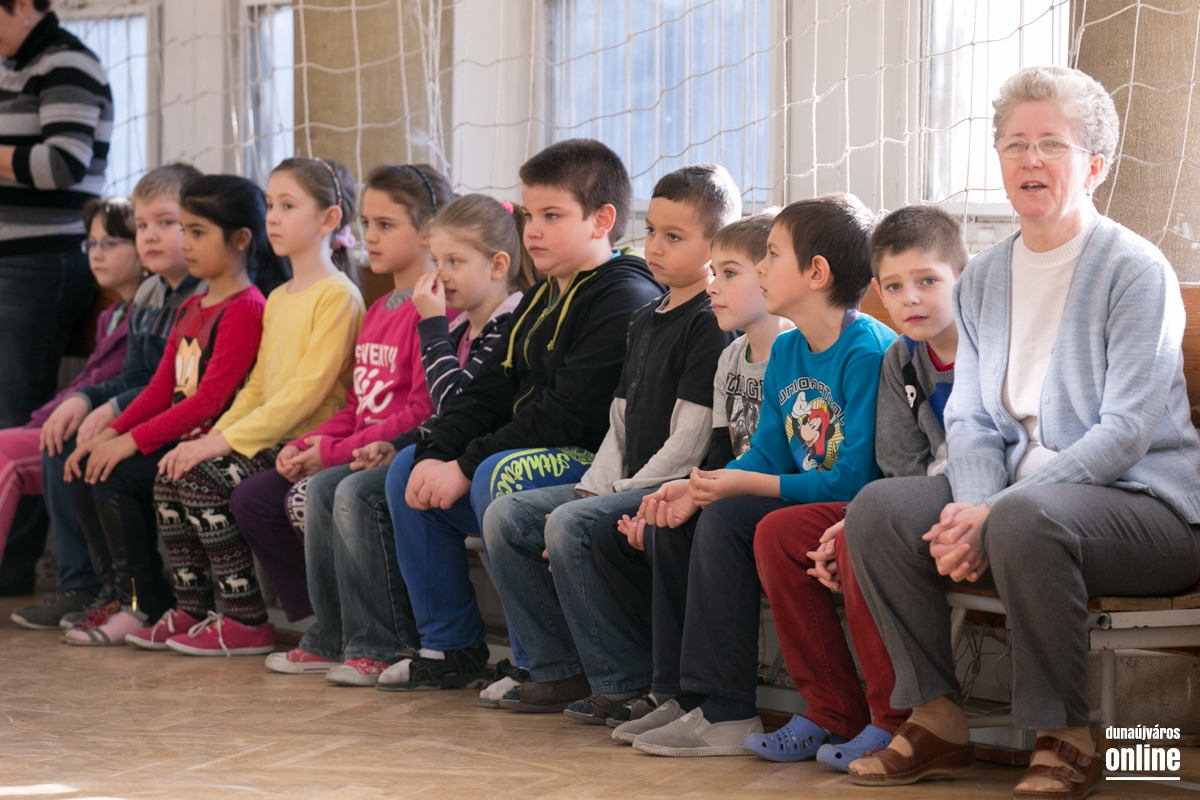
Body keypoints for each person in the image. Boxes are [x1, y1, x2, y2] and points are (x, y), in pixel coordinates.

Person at [844, 66, 1200, 800]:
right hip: (1015, 502)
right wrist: (975, 504)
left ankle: (1065, 735)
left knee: (1026, 518)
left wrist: (994, 510)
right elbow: (972, 419)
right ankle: (937, 718)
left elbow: (1127, 432)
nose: (1029, 160)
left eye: (1051, 144)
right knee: (877, 511)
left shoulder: (1136, 270)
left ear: (1094, 166)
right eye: (1014, 144)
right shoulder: (983, 277)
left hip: (1145, 508)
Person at [614, 195, 895, 757]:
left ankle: (736, 710)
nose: (761, 268)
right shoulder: (788, 350)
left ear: (816, 273)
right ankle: (694, 699)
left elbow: (852, 481)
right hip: (808, 496)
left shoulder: (866, 352)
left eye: (771, 255)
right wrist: (698, 487)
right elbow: (766, 455)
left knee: (738, 519)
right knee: (688, 519)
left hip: (855, 505)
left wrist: (739, 486)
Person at [377, 139, 663, 693]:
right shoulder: (540, 297)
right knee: (408, 466)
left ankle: (547, 663)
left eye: (552, 216)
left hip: (596, 463)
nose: (532, 231)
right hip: (536, 447)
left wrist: (464, 465)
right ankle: (449, 647)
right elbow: (484, 393)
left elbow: (566, 415)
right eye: (530, 216)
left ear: (602, 220)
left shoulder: (624, 295)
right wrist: (438, 452)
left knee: (496, 473)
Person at [482, 164, 738, 721]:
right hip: (626, 481)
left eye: (675, 237)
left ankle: (623, 679)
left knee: (571, 525)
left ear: (716, 245)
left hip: (670, 486)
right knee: (508, 516)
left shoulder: (711, 321)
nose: (655, 246)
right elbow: (619, 423)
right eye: (651, 231)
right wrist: (591, 491)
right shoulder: (645, 317)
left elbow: (690, 442)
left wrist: (610, 497)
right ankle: (559, 667)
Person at [263, 190, 535, 687]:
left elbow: (460, 407)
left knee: (364, 491)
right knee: (331, 485)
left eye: (454, 262)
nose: (441, 274)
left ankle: (389, 642)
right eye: (437, 260)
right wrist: (396, 442)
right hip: (452, 456)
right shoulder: (466, 328)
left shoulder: (509, 324)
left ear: (499, 265)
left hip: (488, 464)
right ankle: (362, 638)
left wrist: (431, 326)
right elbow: (446, 418)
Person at [747, 205, 966, 769]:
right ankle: (830, 710)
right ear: (877, 289)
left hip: (959, 501)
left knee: (862, 530)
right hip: (904, 496)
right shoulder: (900, 357)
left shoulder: (880, 348)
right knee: (776, 533)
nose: (910, 298)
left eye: (927, 281)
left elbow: (873, 477)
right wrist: (711, 483)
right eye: (893, 286)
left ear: (963, 279)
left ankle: (893, 718)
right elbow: (900, 465)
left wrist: (855, 519)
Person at [141, 164, 363, 657]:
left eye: (288, 206)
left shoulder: (338, 297)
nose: (273, 217)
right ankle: (193, 608)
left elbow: (304, 395)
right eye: (269, 205)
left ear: (328, 219)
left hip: (303, 443)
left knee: (201, 479)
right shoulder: (280, 297)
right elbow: (259, 387)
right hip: (268, 436)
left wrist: (221, 443)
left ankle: (246, 618)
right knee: (171, 474)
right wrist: (210, 438)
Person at [592, 210, 791, 730]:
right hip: (739, 483)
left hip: (774, 490)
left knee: (698, 525)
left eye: (729, 273)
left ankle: (713, 700)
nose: (713, 286)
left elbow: (785, 458)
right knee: (640, 528)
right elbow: (723, 455)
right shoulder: (731, 357)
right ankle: (672, 690)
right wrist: (682, 493)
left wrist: (701, 494)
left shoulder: (791, 351)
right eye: (714, 272)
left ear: (768, 276)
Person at [229, 163, 452, 626]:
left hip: (393, 453)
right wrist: (308, 444)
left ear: (428, 231)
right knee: (253, 498)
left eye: (385, 224)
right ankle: (322, 623)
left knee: (310, 497)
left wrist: (330, 452)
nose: (370, 236)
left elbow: (420, 410)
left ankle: (368, 628)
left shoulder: (433, 310)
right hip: (352, 448)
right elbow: (356, 403)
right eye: (367, 223)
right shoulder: (379, 307)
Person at [58, 179, 271, 646]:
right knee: (85, 465)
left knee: (114, 476)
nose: (185, 243)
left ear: (240, 240)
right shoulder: (192, 306)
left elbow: (208, 401)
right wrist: (109, 433)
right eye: (186, 231)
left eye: (197, 233)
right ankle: (119, 595)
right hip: (175, 438)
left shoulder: (246, 308)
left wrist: (128, 442)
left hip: (208, 445)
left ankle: (142, 603)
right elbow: (160, 388)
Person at [9, 164, 205, 630]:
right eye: (142, 224)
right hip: (148, 414)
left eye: (166, 223)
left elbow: (179, 389)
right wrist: (86, 399)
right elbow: (136, 376)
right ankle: (94, 587)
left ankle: (135, 595)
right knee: (69, 444)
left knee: (101, 463)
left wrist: (112, 414)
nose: (150, 235)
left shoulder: (203, 296)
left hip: (187, 425)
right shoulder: (151, 293)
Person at [0, 198, 140, 580]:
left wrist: (57, 412)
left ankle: (76, 582)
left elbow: (116, 382)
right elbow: (85, 381)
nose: (97, 253)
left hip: (108, 430)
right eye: (91, 243)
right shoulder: (111, 314)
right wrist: (48, 414)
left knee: (5, 453)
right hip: (73, 425)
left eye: (110, 243)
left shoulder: (146, 317)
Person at [0, 0, 111, 435]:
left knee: (14, 413)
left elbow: (63, 164)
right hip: (16, 260)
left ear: (23, 6)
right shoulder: (11, 67)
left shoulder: (68, 63)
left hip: (38, 261)